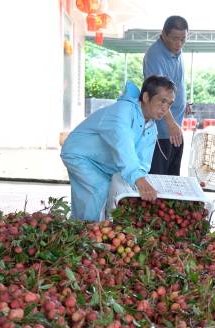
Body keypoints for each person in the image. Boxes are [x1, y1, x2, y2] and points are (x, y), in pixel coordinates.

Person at [61, 76, 176, 221]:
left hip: (104, 163)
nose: (165, 108)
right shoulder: (122, 110)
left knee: (114, 196)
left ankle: (86, 229)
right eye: (162, 101)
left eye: (170, 104)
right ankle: (86, 235)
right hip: (80, 155)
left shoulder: (151, 127)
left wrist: (140, 184)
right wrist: (138, 180)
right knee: (98, 189)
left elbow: (142, 164)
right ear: (146, 97)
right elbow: (123, 145)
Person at [143, 15, 190, 176]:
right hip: (163, 129)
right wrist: (170, 123)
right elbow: (159, 96)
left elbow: (176, 82)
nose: (179, 44)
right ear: (163, 34)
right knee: (159, 177)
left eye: (183, 39)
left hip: (176, 125)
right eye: (175, 39)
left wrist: (184, 102)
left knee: (173, 175)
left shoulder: (177, 51)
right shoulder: (155, 56)